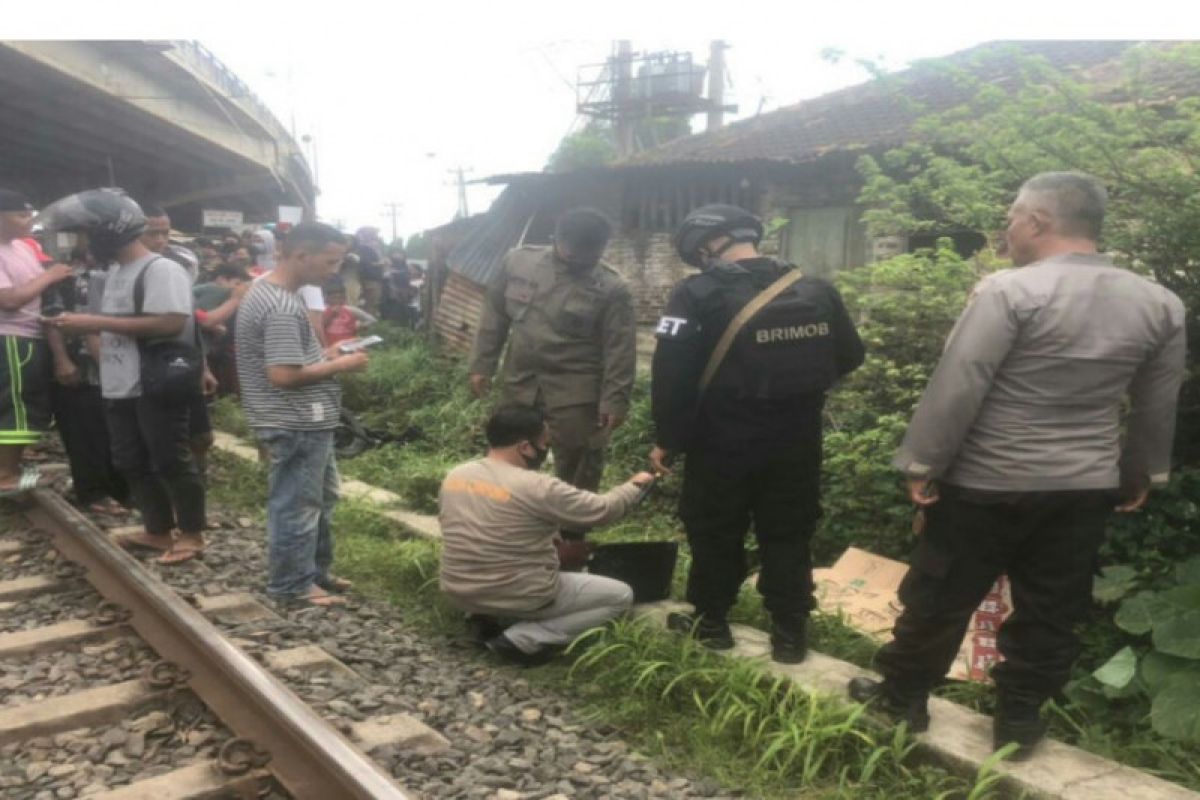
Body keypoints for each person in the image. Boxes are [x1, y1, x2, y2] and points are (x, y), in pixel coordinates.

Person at [847, 172, 1187, 758]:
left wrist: (924, 461)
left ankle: (902, 698)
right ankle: (1021, 721)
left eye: (1011, 218)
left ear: (1038, 221)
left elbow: (961, 384)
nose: (1006, 230)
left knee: (940, 594)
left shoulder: (1009, 291)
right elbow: (1157, 403)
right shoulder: (1158, 302)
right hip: (1083, 487)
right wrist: (1142, 474)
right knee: (1053, 606)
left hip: (987, 481)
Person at [648, 204, 865, 664]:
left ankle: (711, 624)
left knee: (715, 527)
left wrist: (669, 436)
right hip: (798, 439)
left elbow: (671, 372)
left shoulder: (695, 293)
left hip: (720, 439)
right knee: (788, 532)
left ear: (709, 245)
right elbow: (850, 354)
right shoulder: (817, 289)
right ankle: (789, 635)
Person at [41, 189, 207, 564]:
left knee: (170, 459)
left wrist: (90, 322)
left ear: (108, 230)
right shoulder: (115, 272)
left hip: (155, 384)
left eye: (84, 232)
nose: (80, 241)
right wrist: (89, 336)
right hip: (119, 383)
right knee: (131, 460)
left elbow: (170, 321)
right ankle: (157, 530)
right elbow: (112, 328)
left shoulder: (160, 269)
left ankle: (193, 534)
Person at [468, 208, 636, 548]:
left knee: (577, 465)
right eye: (572, 250)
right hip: (520, 381)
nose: (579, 258)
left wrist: (614, 400)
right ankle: (507, 528)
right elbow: (494, 317)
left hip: (576, 391)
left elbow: (620, 349)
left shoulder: (611, 287)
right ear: (557, 240)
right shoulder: (519, 262)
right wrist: (482, 364)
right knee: (511, 456)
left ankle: (569, 540)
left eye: (590, 253)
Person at [439, 404, 653, 665]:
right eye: (545, 442)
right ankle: (525, 639)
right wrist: (637, 484)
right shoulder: (537, 486)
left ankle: (481, 619)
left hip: (458, 588)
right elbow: (603, 510)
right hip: (520, 593)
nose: (547, 450)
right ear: (525, 447)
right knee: (620, 595)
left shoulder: (457, 475)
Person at [234, 222, 367, 606]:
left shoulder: (268, 294)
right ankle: (292, 585)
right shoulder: (280, 306)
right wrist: (344, 366)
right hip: (295, 421)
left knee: (320, 499)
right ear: (301, 256)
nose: (334, 270)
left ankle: (314, 573)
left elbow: (286, 358)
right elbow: (283, 374)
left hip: (305, 420)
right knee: (298, 504)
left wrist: (325, 355)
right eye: (330, 261)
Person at [42, 246, 129, 514]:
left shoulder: (124, 276)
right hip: (79, 366)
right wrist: (61, 360)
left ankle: (121, 490)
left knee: (114, 431)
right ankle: (93, 493)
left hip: (116, 367)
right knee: (83, 431)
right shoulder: (64, 278)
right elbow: (52, 317)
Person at [0, 189, 74, 495]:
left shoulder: (22, 247)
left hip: (28, 336)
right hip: (11, 338)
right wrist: (50, 275)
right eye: (21, 215)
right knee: (15, 405)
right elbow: (10, 300)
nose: (29, 220)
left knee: (21, 402)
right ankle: (5, 475)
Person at [320, 277, 376, 347]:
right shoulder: (322, 310)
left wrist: (360, 326)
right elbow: (319, 327)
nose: (337, 301)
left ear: (345, 298)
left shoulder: (350, 310)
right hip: (329, 346)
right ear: (326, 299)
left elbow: (371, 320)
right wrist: (331, 314)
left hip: (349, 345)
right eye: (334, 298)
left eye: (340, 298)